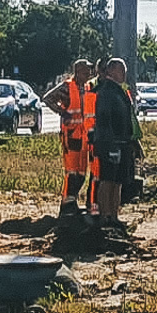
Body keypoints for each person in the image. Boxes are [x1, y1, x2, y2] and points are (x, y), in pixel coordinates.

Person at [90, 57, 141, 229]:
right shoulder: (106, 91)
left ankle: (114, 216)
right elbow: (104, 119)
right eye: (121, 70)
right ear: (111, 71)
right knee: (107, 180)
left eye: (125, 71)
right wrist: (110, 143)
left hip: (122, 143)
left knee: (118, 181)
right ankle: (105, 216)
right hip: (109, 144)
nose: (124, 74)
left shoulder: (119, 91)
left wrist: (131, 142)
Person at [44, 59, 96, 221]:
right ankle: (67, 204)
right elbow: (47, 98)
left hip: (84, 136)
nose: (88, 74)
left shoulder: (87, 87)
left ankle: (72, 201)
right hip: (72, 134)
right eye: (85, 71)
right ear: (78, 71)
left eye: (89, 71)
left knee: (81, 171)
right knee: (72, 171)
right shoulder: (68, 86)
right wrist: (63, 112)